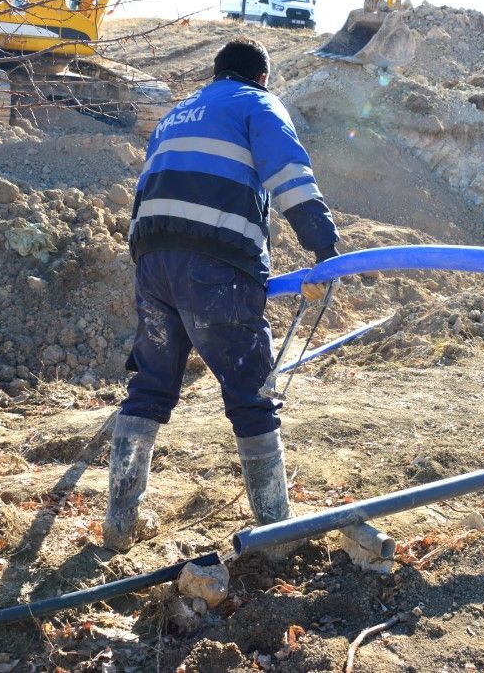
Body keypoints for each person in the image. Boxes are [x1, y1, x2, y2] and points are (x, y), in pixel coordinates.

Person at [105, 37, 339, 552]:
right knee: (252, 394)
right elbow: (290, 176)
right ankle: (278, 535)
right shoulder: (257, 104)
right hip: (214, 264)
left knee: (151, 386)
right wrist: (325, 247)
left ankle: (119, 522)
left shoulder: (175, 116)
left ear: (216, 72)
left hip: (152, 262)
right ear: (260, 77)